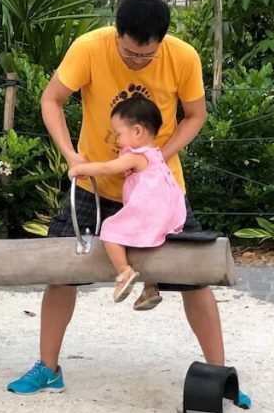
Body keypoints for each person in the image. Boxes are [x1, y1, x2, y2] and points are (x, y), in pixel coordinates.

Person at [6, 0, 250, 409]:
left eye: (147, 55)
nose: (138, 61)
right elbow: (52, 100)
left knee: (195, 278)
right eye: (130, 53)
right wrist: (72, 156)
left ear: (162, 42)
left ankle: (219, 371)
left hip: (160, 190)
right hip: (94, 188)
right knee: (60, 273)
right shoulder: (89, 47)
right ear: (116, 34)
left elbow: (195, 114)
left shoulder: (183, 57)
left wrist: (158, 159)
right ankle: (48, 368)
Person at [67, 95, 186, 309]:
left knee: (110, 230)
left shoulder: (136, 155)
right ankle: (151, 287)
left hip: (149, 213)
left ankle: (124, 272)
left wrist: (80, 168)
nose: (116, 140)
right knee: (147, 246)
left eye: (119, 134)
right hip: (168, 214)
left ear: (137, 131)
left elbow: (106, 168)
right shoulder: (155, 154)